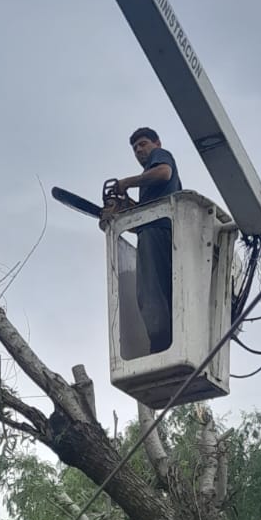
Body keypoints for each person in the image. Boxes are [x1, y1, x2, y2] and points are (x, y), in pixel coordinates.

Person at [105, 128, 181, 354]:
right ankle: (166, 341)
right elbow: (143, 218)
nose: (139, 150)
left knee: (150, 292)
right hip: (157, 232)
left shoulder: (161, 158)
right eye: (135, 148)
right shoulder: (149, 187)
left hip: (157, 231)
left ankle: (160, 343)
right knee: (161, 290)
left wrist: (127, 182)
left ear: (157, 143)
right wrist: (125, 209)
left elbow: (164, 173)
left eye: (144, 144)